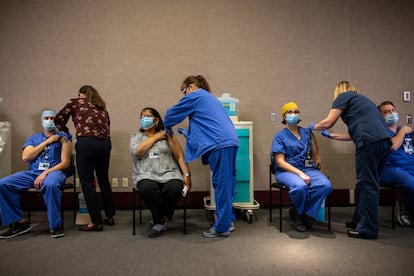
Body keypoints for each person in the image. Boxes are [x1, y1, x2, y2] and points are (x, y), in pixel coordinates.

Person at [311, 81, 392, 239]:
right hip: (384, 142)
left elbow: (328, 122)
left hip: (369, 143)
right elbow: (354, 134)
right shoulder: (364, 101)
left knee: (367, 185)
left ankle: (367, 229)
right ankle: (359, 221)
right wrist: (332, 136)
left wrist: (314, 127)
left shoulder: (344, 96)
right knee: (366, 184)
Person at [163, 75, 239, 238]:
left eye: (184, 91)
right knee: (227, 183)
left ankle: (222, 227)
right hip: (228, 142)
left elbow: (171, 115)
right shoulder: (209, 99)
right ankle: (228, 220)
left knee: (222, 184)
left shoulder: (196, 95)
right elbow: (207, 126)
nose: (185, 95)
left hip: (221, 144)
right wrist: (189, 135)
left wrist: (167, 126)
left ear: (190, 86)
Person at [0, 109, 72, 239]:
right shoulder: (33, 138)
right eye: (46, 118)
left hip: (55, 172)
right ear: (42, 121)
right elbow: (26, 157)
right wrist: (47, 142)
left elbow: (65, 163)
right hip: (33, 173)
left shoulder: (64, 137)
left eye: (52, 118)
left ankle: (55, 226)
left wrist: (45, 173)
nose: (49, 121)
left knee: (50, 184)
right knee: (3, 184)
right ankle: (19, 222)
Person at [55, 85, 115, 231]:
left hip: (87, 143)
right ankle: (109, 215)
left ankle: (96, 222)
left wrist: (65, 130)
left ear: (81, 94)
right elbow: (107, 125)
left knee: (87, 182)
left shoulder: (76, 102)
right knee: (103, 180)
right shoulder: (102, 108)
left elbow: (59, 118)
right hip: (105, 144)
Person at [129, 107, 191, 238]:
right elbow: (138, 152)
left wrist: (186, 175)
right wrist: (156, 137)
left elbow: (179, 156)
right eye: (141, 116)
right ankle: (160, 220)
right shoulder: (136, 137)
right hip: (146, 175)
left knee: (176, 188)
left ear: (156, 120)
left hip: (169, 173)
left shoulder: (167, 135)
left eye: (146, 116)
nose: (143, 119)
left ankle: (159, 218)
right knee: (147, 188)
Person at [271, 102, 332, 232]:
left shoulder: (308, 133)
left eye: (295, 111)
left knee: (325, 185)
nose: (293, 114)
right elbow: (280, 162)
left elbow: (316, 157)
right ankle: (299, 215)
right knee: (300, 186)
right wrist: (300, 174)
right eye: (289, 112)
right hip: (286, 171)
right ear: (284, 116)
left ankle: (302, 213)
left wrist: (321, 173)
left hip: (308, 168)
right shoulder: (279, 137)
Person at [377, 100, 414, 226]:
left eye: (392, 110)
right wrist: (403, 131)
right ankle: (409, 208)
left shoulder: (406, 131)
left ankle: (405, 203)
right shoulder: (380, 132)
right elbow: (393, 146)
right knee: (411, 184)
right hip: (391, 169)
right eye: (386, 112)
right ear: (380, 116)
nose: (391, 113)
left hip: (410, 167)